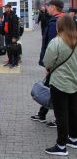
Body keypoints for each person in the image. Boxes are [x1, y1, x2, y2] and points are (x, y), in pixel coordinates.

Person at [43, 15, 77, 156]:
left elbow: (47, 62)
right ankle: (73, 138)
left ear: (60, 26)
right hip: (75, 82)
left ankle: (61, 146)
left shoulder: (56, 42)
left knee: (61, 115)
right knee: (74, 111)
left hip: (59, 83)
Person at [32, 0, 65, 126]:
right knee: (49, 88)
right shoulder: (62, 20)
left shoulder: (55, 22)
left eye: (49, 6)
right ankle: (42, 114)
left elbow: (52, 45)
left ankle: (57, 119)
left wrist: (48, 65)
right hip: (60, 64)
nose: (47, 8)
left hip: (56, 65)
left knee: (54, 91)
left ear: (54, 7)